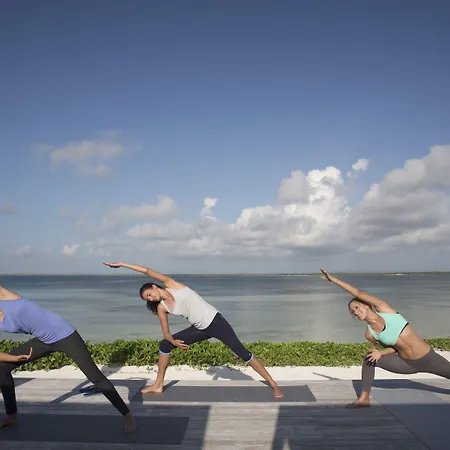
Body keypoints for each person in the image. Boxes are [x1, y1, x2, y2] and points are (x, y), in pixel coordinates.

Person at [102, 261, 284, 398]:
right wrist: (174, 342)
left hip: (216, 322)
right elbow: (166, 333)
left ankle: (273, 384)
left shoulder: (172, 285)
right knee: (164, 345)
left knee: (243, 353)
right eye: (147, 299)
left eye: (149, 294)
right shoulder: (162, 308)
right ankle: (158, 385)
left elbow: (146, 270)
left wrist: (122, 265)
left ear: (154, 287)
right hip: (200, 329)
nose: (150, 299)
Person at [0, 283, 136, 432]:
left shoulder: (7, 298)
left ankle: (127, 415)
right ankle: (12, 416)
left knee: (95, 377)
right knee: (2, 368)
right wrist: (14, 359)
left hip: (65, 335)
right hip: (43, 340)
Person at [320, 268, 450, 408]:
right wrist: (380, 353)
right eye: (352, 312)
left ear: (366, 304)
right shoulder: (370, 334)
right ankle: (364, 399)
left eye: (357, 307)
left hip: (429, 359)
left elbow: (357, 293)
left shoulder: (385, 309)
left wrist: (334, 280)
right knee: (369, 358)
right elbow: (394, 348)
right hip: (406, 363)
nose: (355, 312)